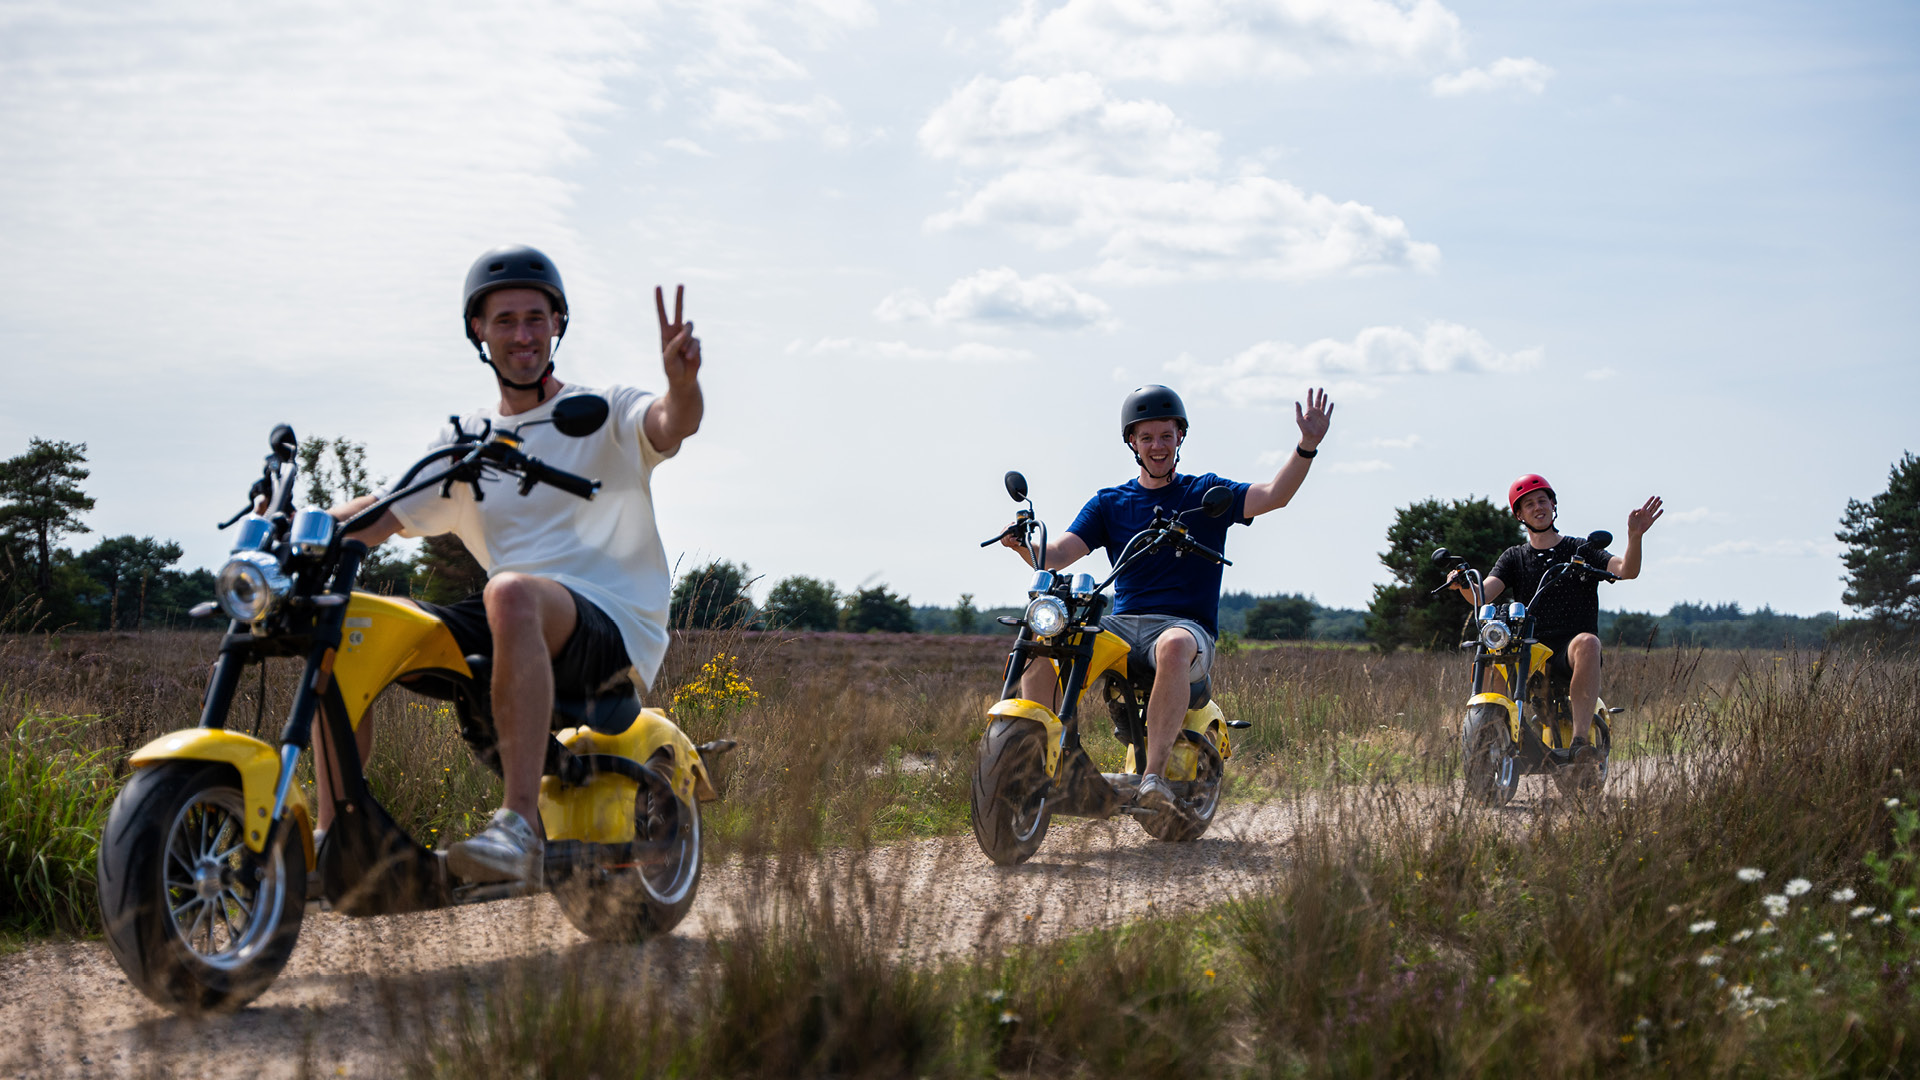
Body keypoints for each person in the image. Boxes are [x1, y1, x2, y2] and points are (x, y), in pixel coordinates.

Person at [322, 244, 704, 885]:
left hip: (610, 624)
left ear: (558, 323)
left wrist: (682, 384)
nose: (522, 335)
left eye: (535, 318)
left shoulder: (602, 410)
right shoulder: (467, 439)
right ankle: (339, 834)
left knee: (509, 591)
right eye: (505, 321)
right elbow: (385, 511)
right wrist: (302, 530)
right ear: (478, 330)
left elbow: (670, 425)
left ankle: (519, 825)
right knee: (350, 623)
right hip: (513, 616)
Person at [1001, 384, 1333, 812]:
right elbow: (1059, 554)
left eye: (1165, 435)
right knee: (1046, 640)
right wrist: (1023, 546)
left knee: (1174, 644)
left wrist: (1307, 445)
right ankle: (1038, 765)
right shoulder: (1110, 502)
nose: (1157, 446)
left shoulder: (1204, 492)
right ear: (1132, 443)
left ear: (1180, 437)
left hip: (1184, 629)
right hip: (1122, 626)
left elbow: (1274, 496)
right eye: (1146, 437)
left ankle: (1152, 777)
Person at [1451, 474, 1662, 766]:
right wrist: (1463, 583)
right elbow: (1484, 594)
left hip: (1569, 650)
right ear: (1519, 514)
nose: (1538, 507)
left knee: (1589, 642)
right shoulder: (1514, 557)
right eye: (1529, 504)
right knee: (1492, 653)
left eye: (1542, 500)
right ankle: (1491, 733)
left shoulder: (1581, 549)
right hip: (1528, 646)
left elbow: (1626, 570)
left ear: (1553, 504)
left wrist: (1634, 537)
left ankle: (1580, 743)